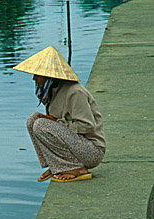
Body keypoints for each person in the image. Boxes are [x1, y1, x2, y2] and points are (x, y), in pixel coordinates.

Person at [13, 46, 106, 183]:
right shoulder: (52, 91)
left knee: (41, 124)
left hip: (92, 151)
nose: (34, 79)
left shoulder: (75, 92)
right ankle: (56, 165)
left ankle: (76, 169)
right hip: (76, 146)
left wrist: (57, 121)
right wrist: (55, 121)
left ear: (48, 76)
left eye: (37, 75)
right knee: (32, 120)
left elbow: (87, 126)